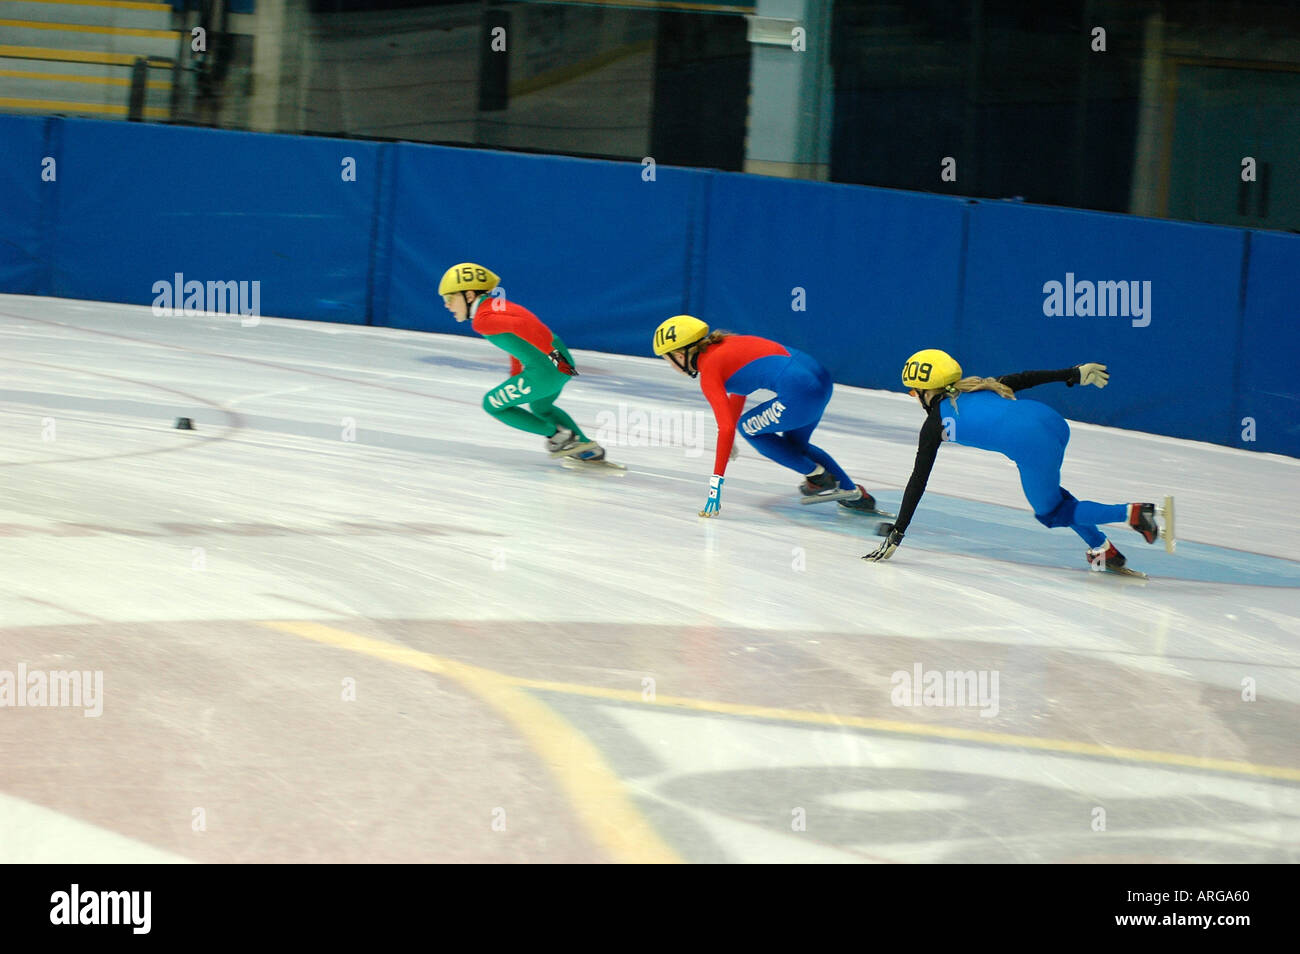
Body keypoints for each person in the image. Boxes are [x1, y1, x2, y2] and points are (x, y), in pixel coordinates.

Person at [862, 349, 1165, 569]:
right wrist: (1072, 374)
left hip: (1032, 443)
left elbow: (918, 481)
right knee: (1056, 498)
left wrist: (898, 532)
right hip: (1051, 421)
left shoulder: (934, 425)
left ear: (927, 390)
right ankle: (1102, 550)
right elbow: (1026, 378)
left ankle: (1135, 514)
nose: (915, 398)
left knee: (1052, 512)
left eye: (915, 392)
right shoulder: (979, 384)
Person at [652, 314, 878, 518]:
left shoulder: (709, 370)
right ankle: (855, 494)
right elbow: (741, 390)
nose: (670, 365)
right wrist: (728, 434)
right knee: (793, 447)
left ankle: (817, 475)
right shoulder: (725, 344)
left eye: (667, 359)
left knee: (746, 428)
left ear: (680, 355)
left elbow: (728, 427)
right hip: (821, 381)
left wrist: (715, 487)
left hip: (800, 391)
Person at [439, 263, 604, 462]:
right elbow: (517, 339)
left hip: (547, 369)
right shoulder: (496, 306)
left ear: (470, 295)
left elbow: (523, 325)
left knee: (491, 404)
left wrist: (554, 358)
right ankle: (585, 446)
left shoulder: (482, 319)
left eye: (449, 298)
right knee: (541, 408)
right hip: (559, 365)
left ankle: (558, 435)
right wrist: (519, 371)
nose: (447, 305)